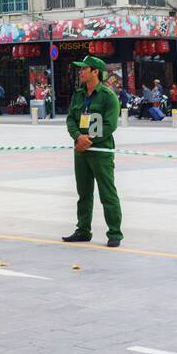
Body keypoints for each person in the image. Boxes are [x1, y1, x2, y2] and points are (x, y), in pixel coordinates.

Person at [63, 55, 123, 247]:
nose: (80, 72)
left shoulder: (108, 96)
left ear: (95, 72)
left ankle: (114, 233)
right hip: (81, 151)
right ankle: (83, 230)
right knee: (84, 193)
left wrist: (88, 140)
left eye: (83, 69)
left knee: (107, 193)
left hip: (101, 151)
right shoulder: (78, 95)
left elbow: (110, 125)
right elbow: (71, 119)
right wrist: (77, 137)